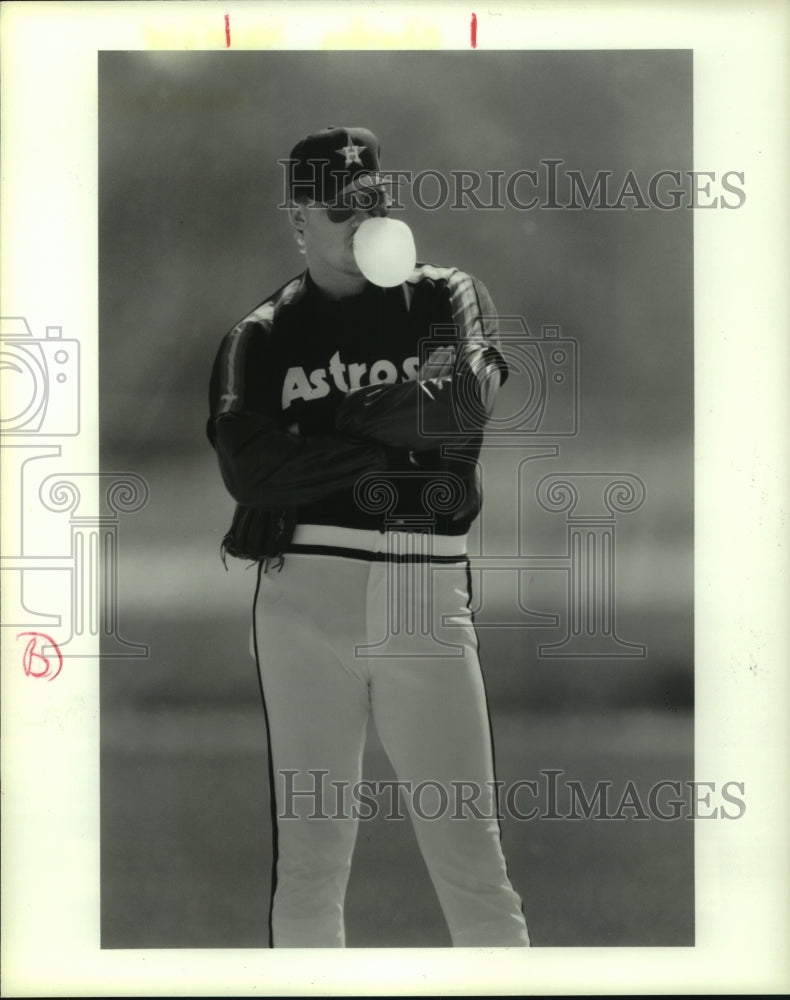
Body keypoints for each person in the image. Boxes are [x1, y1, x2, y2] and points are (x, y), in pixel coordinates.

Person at [206, 125, 530, 948]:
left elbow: (465, 403)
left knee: (473, 861)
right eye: (343, 206)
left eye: (375, 201)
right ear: (300, 223)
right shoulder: (264, 336)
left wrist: (327, 431)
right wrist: (393, 438)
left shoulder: (445, 293)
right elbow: (252, 473)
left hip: (426, 592)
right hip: (304, 600)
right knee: (312, 863)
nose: (365, 219)